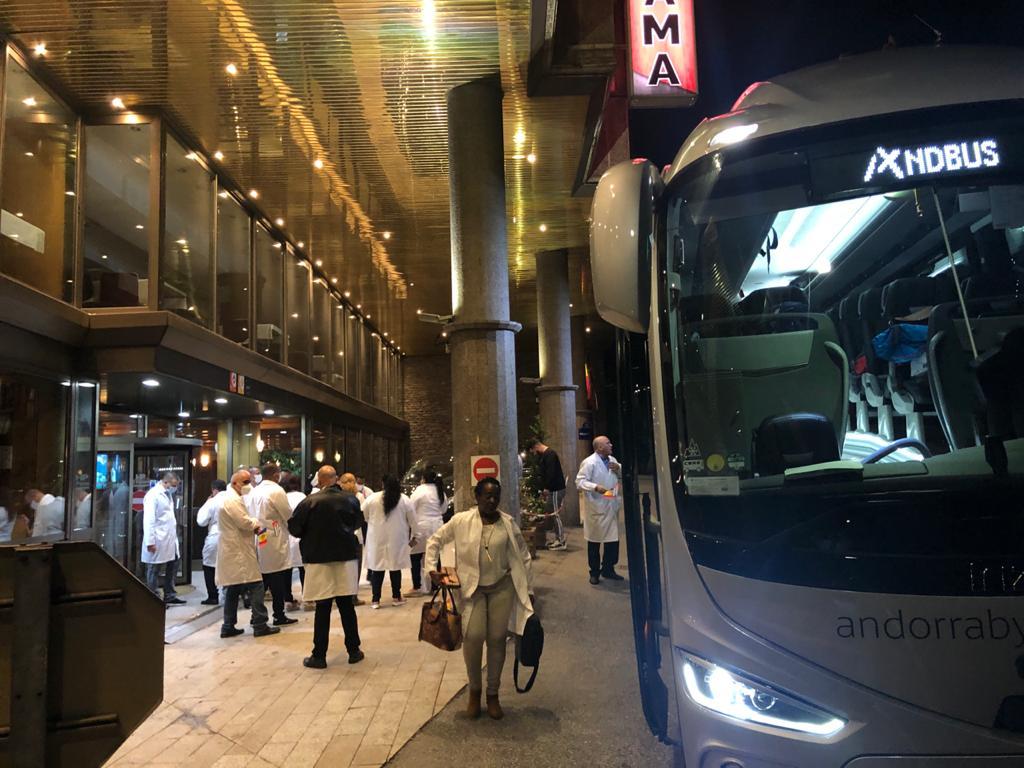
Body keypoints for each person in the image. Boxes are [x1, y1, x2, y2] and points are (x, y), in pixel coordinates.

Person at [426, 477, 533, 720]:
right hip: (472, 590)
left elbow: (523, 556)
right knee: (473, 637)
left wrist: (530, 591)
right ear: (477, 496)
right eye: (487, 495)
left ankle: (493, 694)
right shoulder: (462, 520)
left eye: (496, 496)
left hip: (502, 588)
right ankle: (475, 690)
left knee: (496, 639)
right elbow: (435, 540)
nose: (492, 500)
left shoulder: (508, 523)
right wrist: (431, 568)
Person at [288, 465, 365, 668]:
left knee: (322, 608)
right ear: (336, 479)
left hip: (318, 560)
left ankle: (319, 655)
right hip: (345, 558)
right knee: (346, 606)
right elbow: (358, 522)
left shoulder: (308, 502)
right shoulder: (350, 500)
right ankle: (354, 650)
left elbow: (295, 528)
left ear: (320, 480)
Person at [217, 470, 280, 638]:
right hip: (237, 551)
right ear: (235, 483)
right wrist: (257, 524)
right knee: (257, 585)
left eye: (249, 481)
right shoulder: (231, 500)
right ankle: (260, 624)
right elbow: (244, 521)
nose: (248, 485)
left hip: (236, 548)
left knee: (233, 587)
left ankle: (228, 625)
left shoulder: (232, 498)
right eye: (245, 482)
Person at [249, 463, 298, 626]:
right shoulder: (276, 491)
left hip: (259, 535)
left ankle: (256, 614)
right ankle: (278, 614)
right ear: (276, 475)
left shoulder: (255, 490)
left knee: (261, 577)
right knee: (276, 577)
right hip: (273, 536)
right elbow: (287, 513)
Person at [362, 474, 417, 608]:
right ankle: (396, 597)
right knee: (395, 567)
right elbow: (413, 521)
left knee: (377, 568)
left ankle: (375, 600)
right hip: (397, 539)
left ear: (382, 484)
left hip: (377, 538)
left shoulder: (372, 498)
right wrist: (414, 538)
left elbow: (364, 514)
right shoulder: (404, 499)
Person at [576, 435, 623, 585]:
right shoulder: (590, 462)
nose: (611, 445)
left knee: (612, 541)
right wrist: (595, 487)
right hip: (598, 505)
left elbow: (620, 476)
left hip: (611, 503)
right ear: (599, 447)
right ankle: (594, 572)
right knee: (594, 542)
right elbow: (580, 481)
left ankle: (608, 569)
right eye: (608, 443)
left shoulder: (613, 460)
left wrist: (619, 469)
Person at [140, 474, 185, 605]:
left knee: (174, 564)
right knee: (154, 569)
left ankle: (170, 595)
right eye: (174, 485)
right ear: (166, 482)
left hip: (169, 539)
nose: (175, 488)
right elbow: (149, 520)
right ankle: (153, 599)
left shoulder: (167, 495)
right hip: (158, 539)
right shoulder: (153, 495)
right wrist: (150, 542)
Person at [407, 470, 447, 596]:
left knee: (415, 556)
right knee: (435, 556)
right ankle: (435, 586)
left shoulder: (420, 490)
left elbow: (410, 507)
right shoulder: (440, 491)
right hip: (437, 526)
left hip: (421, 527)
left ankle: (417, 586)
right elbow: (444, 509)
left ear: (423, 478)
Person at [527, 438, 568, 551]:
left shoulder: (549, 454)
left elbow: (551, 473)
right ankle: (558, 539)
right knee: (552, 513)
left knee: (555, 514)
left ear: (535, 446)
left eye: (533, 451)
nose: (535, 454)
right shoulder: (548, 454)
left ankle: (561, 541)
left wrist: (546, 488)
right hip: (554, 489)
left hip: (555, 489)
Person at [196, 479, 228, 605]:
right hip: (232, 537)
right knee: (230, 566)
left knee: (209, 566)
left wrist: (207, 501)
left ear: (214, 490)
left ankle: (213, 596)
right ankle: (230, 594)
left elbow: (201, 521)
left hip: (215, 536)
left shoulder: (212, 501)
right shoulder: (234, 499)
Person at [340, 472, 367, 606]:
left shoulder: (339, 497)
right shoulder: (359, 496)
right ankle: (353, 596)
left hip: (342, 535)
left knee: (343, 566)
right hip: (356, 535)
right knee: (356, 566)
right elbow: (363, 516)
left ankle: (341, 594)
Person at [282, 472, 306, 610]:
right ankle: (307, 597)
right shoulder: (302, 497)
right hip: (300, 535)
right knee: (303, 568)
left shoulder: (283, 497)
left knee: (287, 570)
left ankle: (288, 599)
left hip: (286, 535)